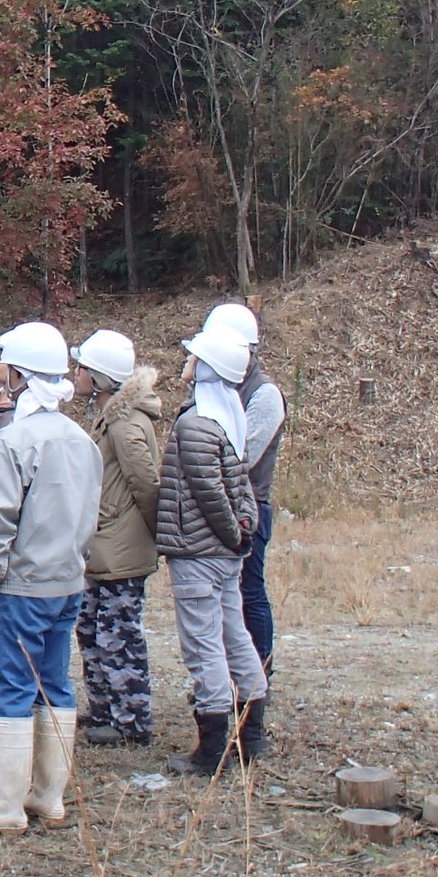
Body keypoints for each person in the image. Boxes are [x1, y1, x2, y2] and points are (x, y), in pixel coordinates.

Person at [0, 322, 101, 833]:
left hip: (21, 586)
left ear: (18, 376)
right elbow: (90, 516)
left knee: (10, 688)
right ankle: (49, 798)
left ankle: (5, 806)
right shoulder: (83, 441)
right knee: (56, 684)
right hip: (67, 583)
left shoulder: (14, 440)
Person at [155, 324, 267, 777]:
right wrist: (239, 535)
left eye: (194, 357)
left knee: (204, 645)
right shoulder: (225, 418)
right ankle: (251, 734)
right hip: (219, 554)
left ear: (206, 369)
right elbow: (237, 489)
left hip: (199, 555)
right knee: (233, 635)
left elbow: (209, 493)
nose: (186, 362)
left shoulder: (194, 423)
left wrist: (231, 532)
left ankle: (212, 748)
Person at [71, 329, 162, 747]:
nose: (77, 374)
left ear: (102, 377)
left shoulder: (125, 424)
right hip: (105, 544)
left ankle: (132, 722)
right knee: (91, 627)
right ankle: (105, 710)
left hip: (120, 547)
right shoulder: (111, 417)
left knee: (118, 633)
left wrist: (146, 535)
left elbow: (146, 484)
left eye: (84, 368)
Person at [203, 303, 285, 682]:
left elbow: (244, 454)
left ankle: (259, 673)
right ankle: (231, 677)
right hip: (222, 505)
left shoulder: (264, 394)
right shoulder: (222, 388)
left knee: (249, 592)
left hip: (250, 506)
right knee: (222, 599)